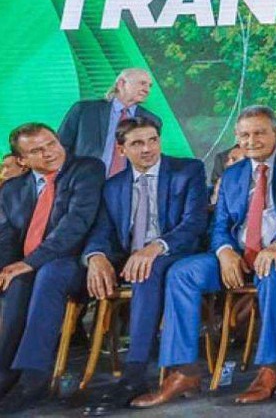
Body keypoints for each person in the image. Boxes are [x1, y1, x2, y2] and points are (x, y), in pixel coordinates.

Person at [133, 106, 276, 407]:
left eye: (259, 133)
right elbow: (220, 224)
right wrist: (225, 251)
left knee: (272, 269)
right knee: (182, 272)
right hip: (239, 254)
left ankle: (269, 369)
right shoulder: (233, 174)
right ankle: (184, 370)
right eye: (244, 135)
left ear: (275, 133)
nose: (251, 140)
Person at [80, 117, 209, 415]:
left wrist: (155, 248)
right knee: (137, 269)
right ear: (122, 149)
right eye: (137, 143)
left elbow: (194, 224)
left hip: (176, 253)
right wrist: (96, 255)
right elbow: (102, 231)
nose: (148, 149)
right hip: (132, 259)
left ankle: (134, 374)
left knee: (146, 270)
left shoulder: (187, 171)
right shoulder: (112, 186)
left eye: (153, 140)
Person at [0, 124, 103, 412]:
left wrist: (28, 263)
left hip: (78, 262)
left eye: (52, 143)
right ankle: (6, 376)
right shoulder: (12, 189)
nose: (49, 153)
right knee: (14, 281)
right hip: (31, 266)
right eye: (37, 150)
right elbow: (6, 239)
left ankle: (33, 379)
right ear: (21, 160)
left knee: (47, 273)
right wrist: (8, 268)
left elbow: (75, 226)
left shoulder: (86, 170)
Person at [58, 68, 161, 177]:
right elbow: (60, 147)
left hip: (126, 189)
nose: (147, 90)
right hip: (84, 184)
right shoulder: (84, 110)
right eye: (142, 83)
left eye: (150, 86)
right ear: (121, 84)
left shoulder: (152, 121)